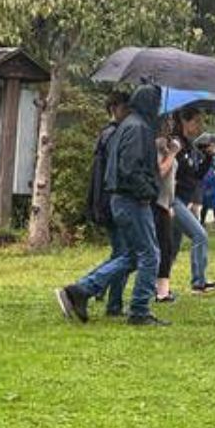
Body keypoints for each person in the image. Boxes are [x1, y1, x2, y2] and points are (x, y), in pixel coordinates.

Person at [57, 85, 167, 326]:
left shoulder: (128, 125)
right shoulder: (138, 128)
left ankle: (81, 290)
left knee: (131, 255)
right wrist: (149, 191)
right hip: (132, 199)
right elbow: (130, 169)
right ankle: (139, 310)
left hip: (121, 199)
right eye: (157, 104)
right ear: (149, 104)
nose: (159, 109)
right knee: (150, 255)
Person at [83, 91, 132, 316]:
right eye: (125, 107)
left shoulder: (106, 134)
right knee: (124, 255)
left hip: (104, 199)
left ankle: (111, 302)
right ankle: (81, 288)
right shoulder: (113, 135)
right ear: (114, 108)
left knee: (120, 253)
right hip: (111, 200)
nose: (128, 112)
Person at [168, 108, 215, 295]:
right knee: (200, 235)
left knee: (171, 248)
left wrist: (209, 157)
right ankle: (199, 282)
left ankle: (159, 287)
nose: (199, 126)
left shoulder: (189, 146)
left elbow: (196, 176)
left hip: (182, 199)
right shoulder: (175, 144)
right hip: (172, 200)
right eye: (196, 121)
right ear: (183, 120)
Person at [153, 120, 180, 303]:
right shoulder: (155, 146)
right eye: (166, 122)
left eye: (171, 122)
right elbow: (160, 171)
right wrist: (172, 153)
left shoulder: (166, 145)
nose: (169, 126)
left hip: (165, 203)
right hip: (155, 202)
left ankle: (162, 289)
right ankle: (161, 292)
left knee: (167, 247)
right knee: (162, 247)